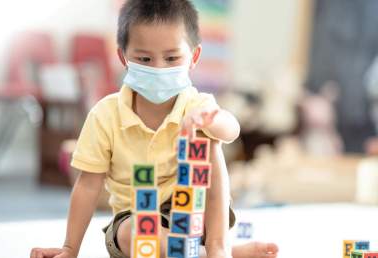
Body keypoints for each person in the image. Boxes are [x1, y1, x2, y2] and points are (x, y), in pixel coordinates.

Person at [30, 1, 279, 257]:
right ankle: (208, 254)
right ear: (123, 57)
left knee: (210, 138)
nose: (158, 67)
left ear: (193, 57)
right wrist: (70, 249)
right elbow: (87, 186)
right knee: (134, 231)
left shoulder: (197, 104)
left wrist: (209, 119)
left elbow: (232, 130)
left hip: (198, 217)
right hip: (137, 221)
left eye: (172, 58)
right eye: (144, 58)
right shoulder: (105, 114)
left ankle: (218, 247)